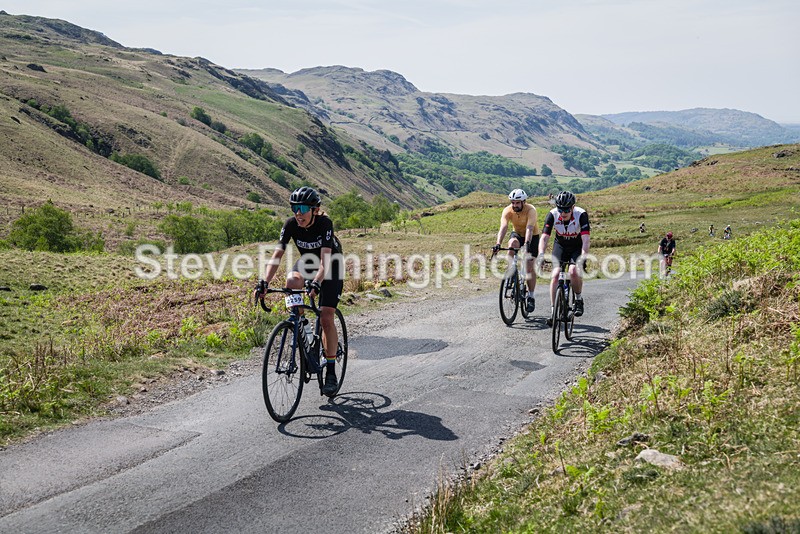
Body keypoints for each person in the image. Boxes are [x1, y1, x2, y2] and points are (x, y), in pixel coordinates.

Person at [256, 186, 344, 395]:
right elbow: (277, 256)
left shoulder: (324, 224)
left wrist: (316, 283)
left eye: (303, 208)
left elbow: (325, 261)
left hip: (330, 265)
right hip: (308, 262)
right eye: (295, 207)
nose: (298, 213)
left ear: (314, 209)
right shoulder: (290, 224)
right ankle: (301, 327)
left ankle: (330, 371)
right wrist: (264, 282)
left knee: (325, 316)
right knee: (291, 282)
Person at [537, 191, 590, 326]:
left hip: (576, 246)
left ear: (573, 207)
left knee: (573, 271)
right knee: (555, 275)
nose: (563, 213)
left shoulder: (581, 214)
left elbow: (585, 240)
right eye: (561, 209)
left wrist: (583, 258)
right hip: (560, 244)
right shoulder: (552, 214)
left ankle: (578, 299)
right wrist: (541, 255)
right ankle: (553, 311)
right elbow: (544, 237)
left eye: (566, 209)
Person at [492, 189, 540, 312]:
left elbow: (529, 228)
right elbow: (503, 227)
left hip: (532, 236)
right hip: (517, 234)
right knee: (512, 243)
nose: (515, 205)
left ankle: (531, 296)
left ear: (524, 202)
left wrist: (527, 244)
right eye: (513, 202)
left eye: (517, 203)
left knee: (529, 267)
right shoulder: (508, 210)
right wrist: (498, 243)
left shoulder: (531, 210)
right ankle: (511, 270)